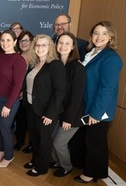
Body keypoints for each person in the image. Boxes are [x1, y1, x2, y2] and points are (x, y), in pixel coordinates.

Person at [74, 21, 122, 183]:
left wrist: (96, 113)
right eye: (96, 33)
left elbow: (107, 88)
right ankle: (86, 166)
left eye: (104, 33)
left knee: (96, 143)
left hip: (99, 109)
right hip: (87, 104)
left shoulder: (111, 58)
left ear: (111, 37)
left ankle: (91, 174)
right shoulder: (91, 52)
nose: (99, 37)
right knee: (87, 140)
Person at [23, 34, 66, 177]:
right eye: (37, 45)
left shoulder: (55, 65)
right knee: (34, 138)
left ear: (50, 48)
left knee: (44, 140)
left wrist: (50, 114)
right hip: (31, 107)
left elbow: (59, 92)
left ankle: (41, 167)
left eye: (44, 45)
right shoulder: (34, 64)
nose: (40, 48)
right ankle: (35, 159)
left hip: (46, 111)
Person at [0, 30, 27, 168]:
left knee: (5, 128)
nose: (5, 43)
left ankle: (9, 156)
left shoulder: (19, 60)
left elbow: (18, 85)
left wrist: (8, 105)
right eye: (2, 40)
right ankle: (2, 151)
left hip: (10, 100)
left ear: (15, 42)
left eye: (8, 40)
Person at [50, 32, 86, 177]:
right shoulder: (56, 65)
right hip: (59, 112)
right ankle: (58, 162)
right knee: (52, 140)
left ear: (72, 47)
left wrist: (69, 119)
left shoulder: (77, 68)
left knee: (59, 143)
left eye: (67, 43)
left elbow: (77, 97)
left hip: (73, 115)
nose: (63, 46)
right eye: (60, 42)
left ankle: (66, 166)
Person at [14, 31, 34, 153]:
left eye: (27, 40)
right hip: (18, 95)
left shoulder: (37, 57)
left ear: (32, 42)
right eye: (21, 41)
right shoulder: (16, 57)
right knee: (20, 120)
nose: (24, 43)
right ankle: (19, 141)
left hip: (32, 96)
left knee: (31, 122)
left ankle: (32, 144)